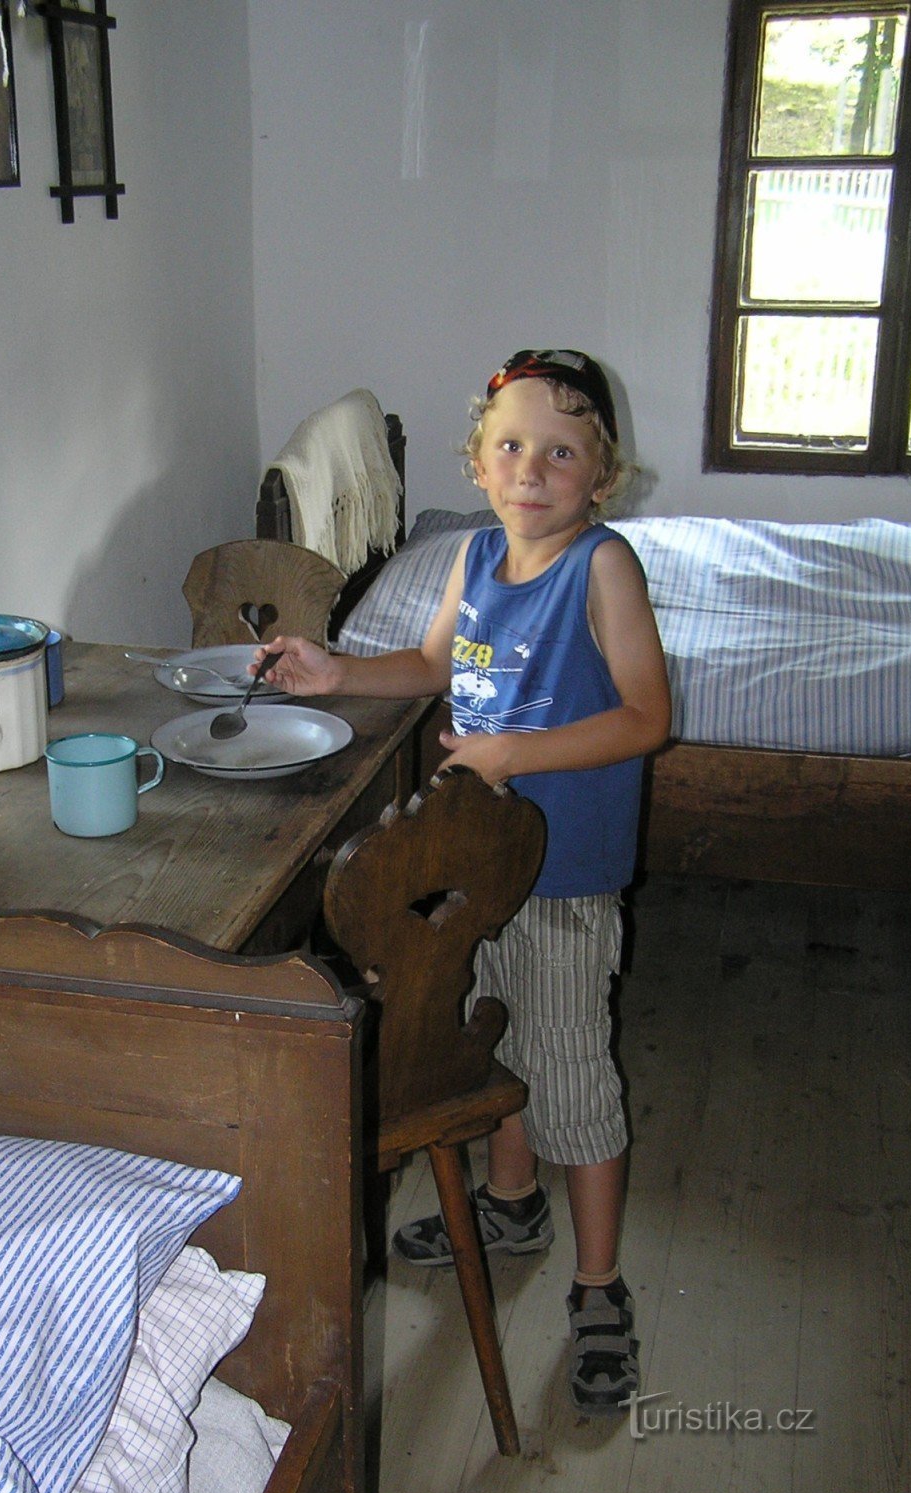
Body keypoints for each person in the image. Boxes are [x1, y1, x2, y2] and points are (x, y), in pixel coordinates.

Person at [256, 349, 671, 1414]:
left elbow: (643, 717)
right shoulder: (473, 555)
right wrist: (338, 671)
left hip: (563, 881)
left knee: (568, 1071)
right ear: (478, 463)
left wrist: (508, 755)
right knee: (486, 1030)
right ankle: (510, 1201)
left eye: (561, 451)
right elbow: (435, 664)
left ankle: (595, 1287)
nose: (532, 469)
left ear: (600, 473)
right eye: (510, 447)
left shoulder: (601, 568)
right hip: (473, 869)